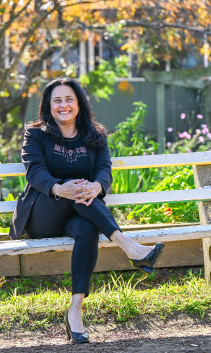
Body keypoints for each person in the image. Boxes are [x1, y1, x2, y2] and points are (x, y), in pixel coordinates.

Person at [10, 77, 164, 344]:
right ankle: (129, 247)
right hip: (43, 213)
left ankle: (76, 310)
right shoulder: (36, 133)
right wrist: (61, 188)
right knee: (74, 189)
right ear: (48, 105)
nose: (63, 105)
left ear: (78, 103)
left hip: (79, 214)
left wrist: (96, 187)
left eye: (69, 99)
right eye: (56, 100)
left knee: (87, 226)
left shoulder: (95, 135)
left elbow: (104, 170)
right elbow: (34, 171)